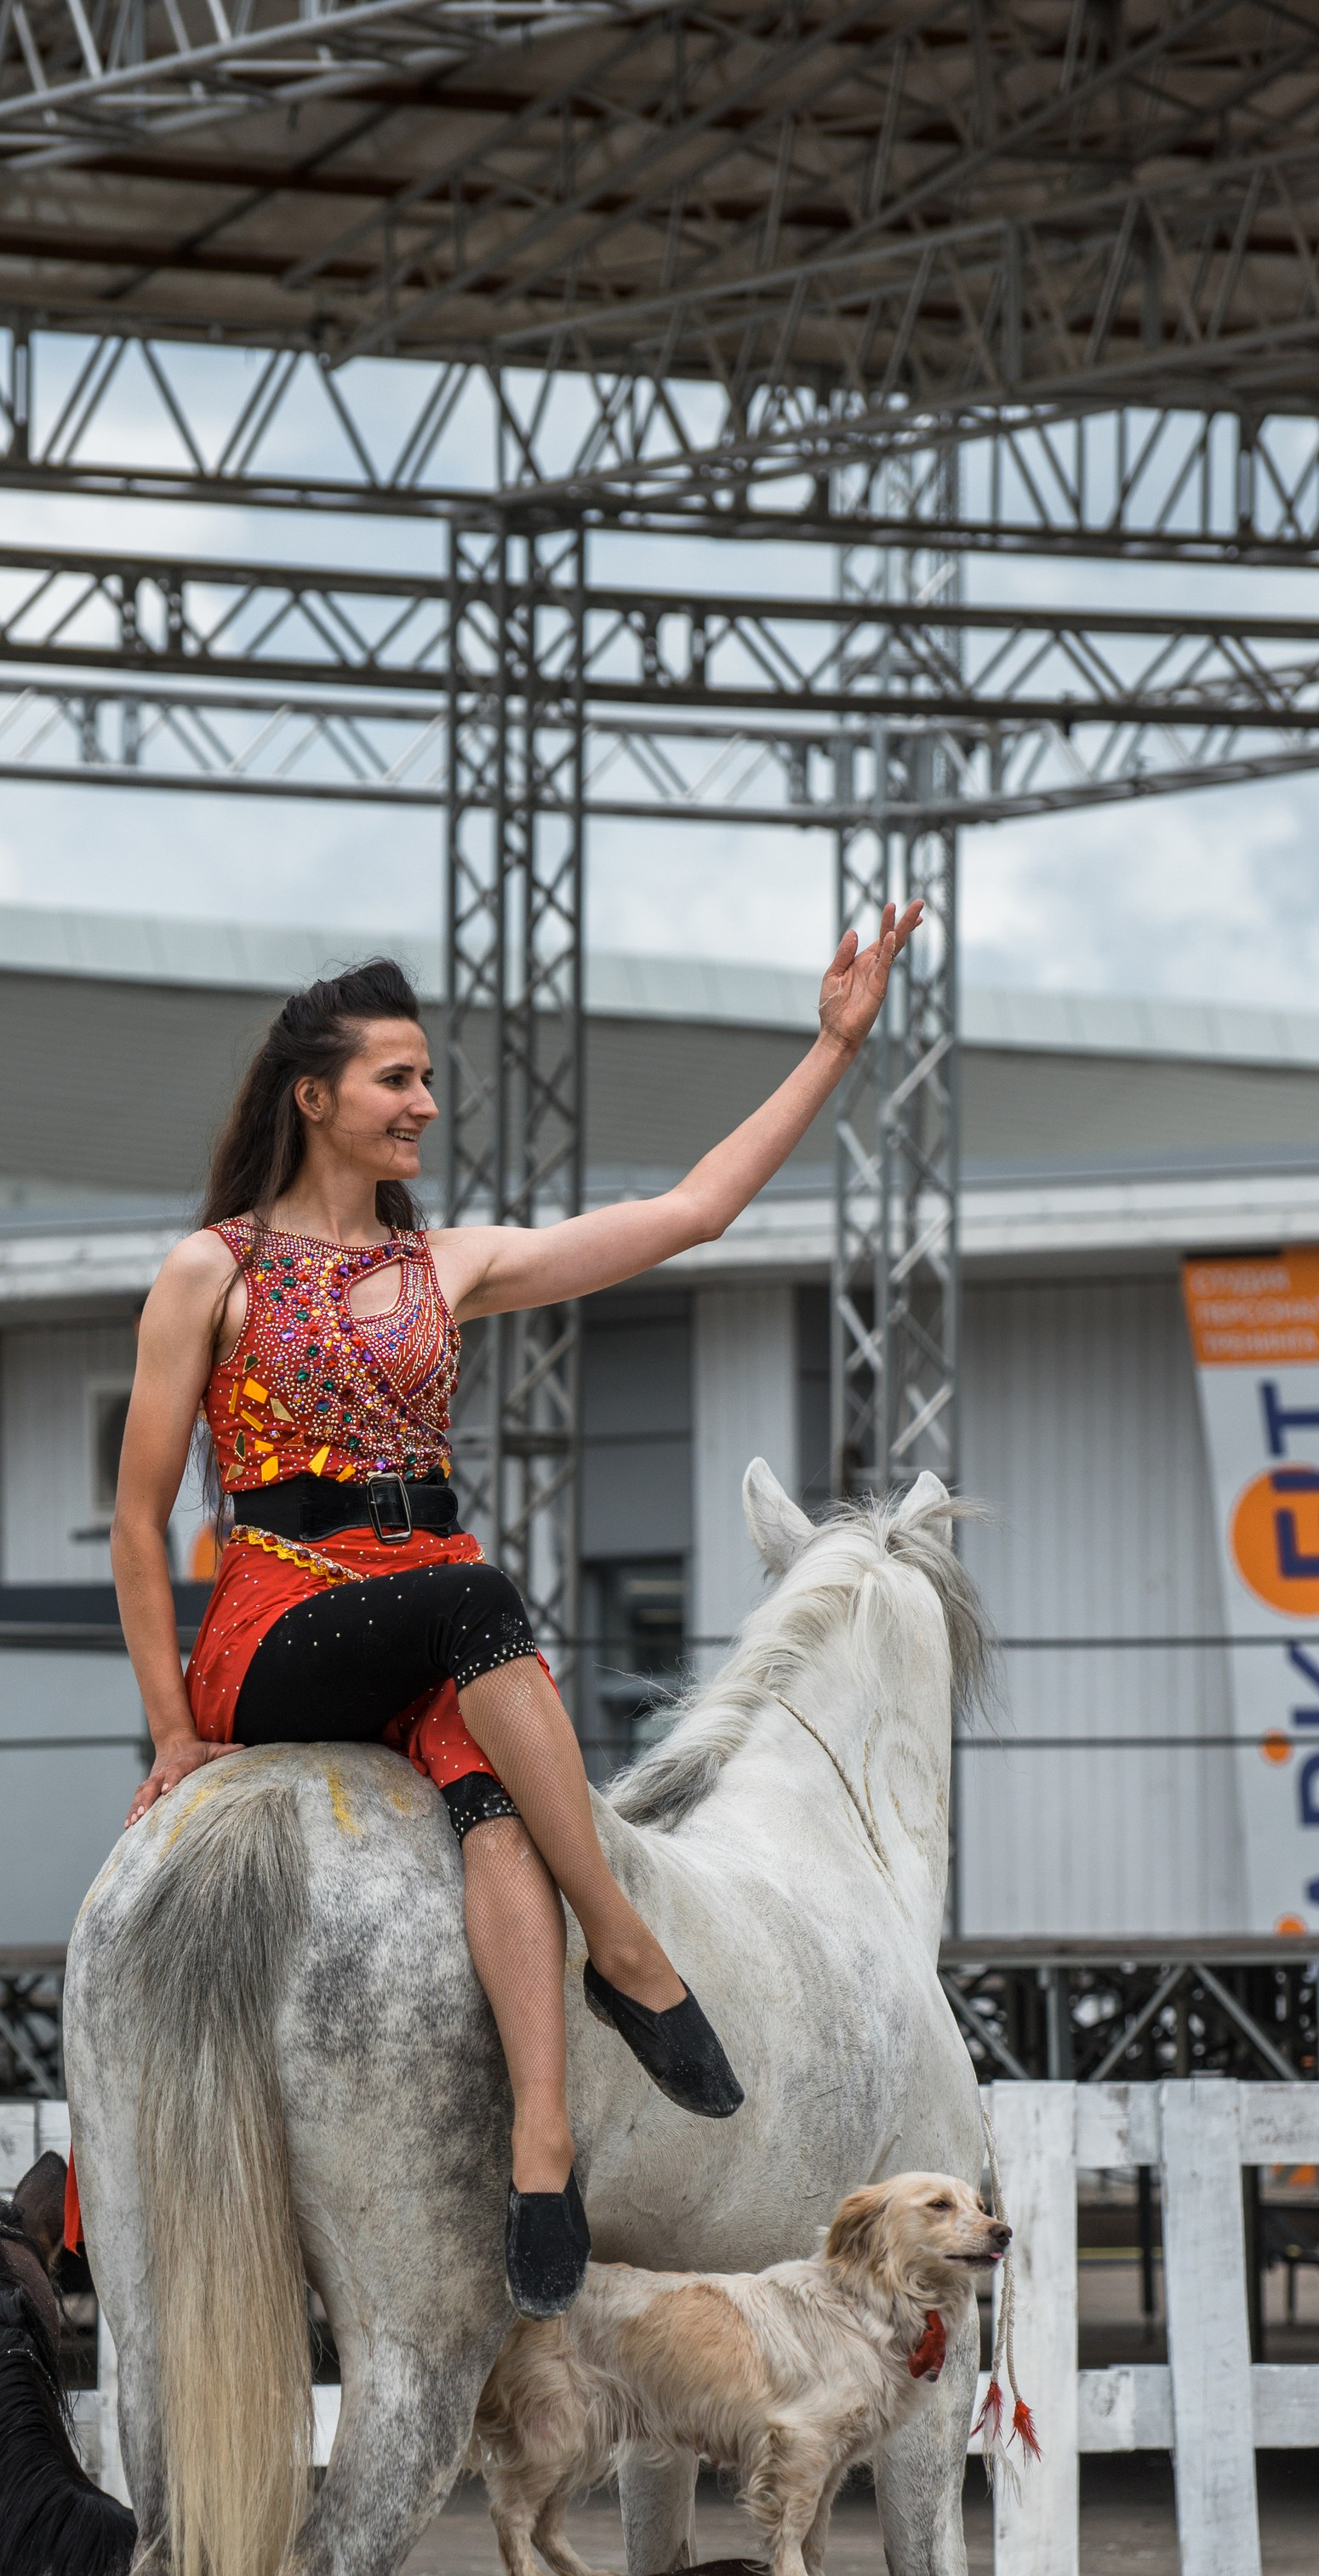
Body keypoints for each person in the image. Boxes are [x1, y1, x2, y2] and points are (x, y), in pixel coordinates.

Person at [111, 909, 921, 2317]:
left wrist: (835, 1045)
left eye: (428, 1080)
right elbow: (137, 1520)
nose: (426, 1103)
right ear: (317, 1099)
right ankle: (628, 1947)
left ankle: (541, 2151)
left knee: (497, 1800)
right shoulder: (212, 1271)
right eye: (397, 1080)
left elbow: (691, 1214)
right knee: (479, 1596)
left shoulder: (451, 1264)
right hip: (284, 1618)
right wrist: (173, 1731)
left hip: (437, 1627)